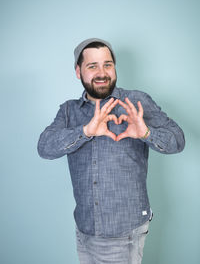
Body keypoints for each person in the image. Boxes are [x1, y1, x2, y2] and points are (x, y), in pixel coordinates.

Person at [37, 38, 185, 264]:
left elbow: (177, 140)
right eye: (92, 66)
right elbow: (45, 147)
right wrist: (86, 131)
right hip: (85, 228)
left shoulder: (136, 102)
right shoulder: (68, 111)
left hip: (122, 232)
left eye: (107, 64)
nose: (102, 72)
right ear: (78, 71)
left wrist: (146, 133)